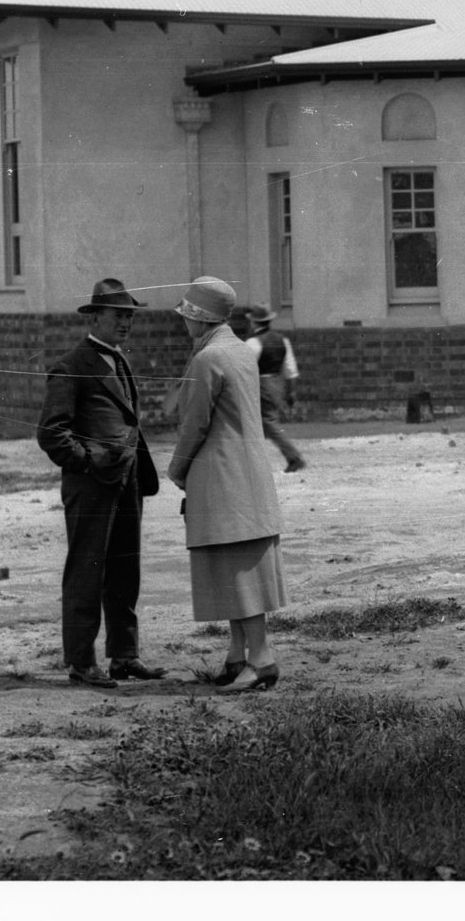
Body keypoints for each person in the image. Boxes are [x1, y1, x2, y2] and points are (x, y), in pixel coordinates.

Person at [36, 278, 165, 689]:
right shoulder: (72, 364)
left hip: (126, 480)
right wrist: (89, 460)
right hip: (92, 484)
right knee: (87, 569)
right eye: (117, 315)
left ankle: (124, 655)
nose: (125, 323)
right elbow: (51, 433)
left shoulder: (119, 360)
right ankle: (80, 661)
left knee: (125, 567)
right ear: (94, 317)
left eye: (129, 316)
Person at [166, 277, 288, 694]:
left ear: (197, 319)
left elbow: (194, 424)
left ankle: (261, 658)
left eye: (186, 317)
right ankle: (238, 655)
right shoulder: (239, 351)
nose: (184, 325)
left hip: (221, 477)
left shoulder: (208, 359)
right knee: (237, 567)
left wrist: (177, 469)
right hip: (249, 476)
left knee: (237, 573)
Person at [227, 306, 307, 472]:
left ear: (254, 322)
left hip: (260, 385)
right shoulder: (282, 340)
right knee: (261, 423)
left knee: (266, 422)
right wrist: (291, 392)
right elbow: (290, 370)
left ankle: (293, 456)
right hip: (277, 383)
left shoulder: (253, 343)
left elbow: (242, 368)